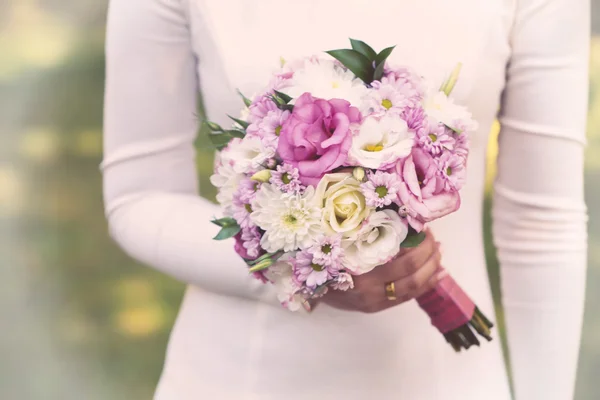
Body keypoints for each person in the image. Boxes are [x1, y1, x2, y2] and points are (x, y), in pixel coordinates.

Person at [101, 0, 589, 399]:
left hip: (450, 379)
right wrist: (298, 270)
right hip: (236, 377)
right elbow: (140, 196)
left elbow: (541, 222)